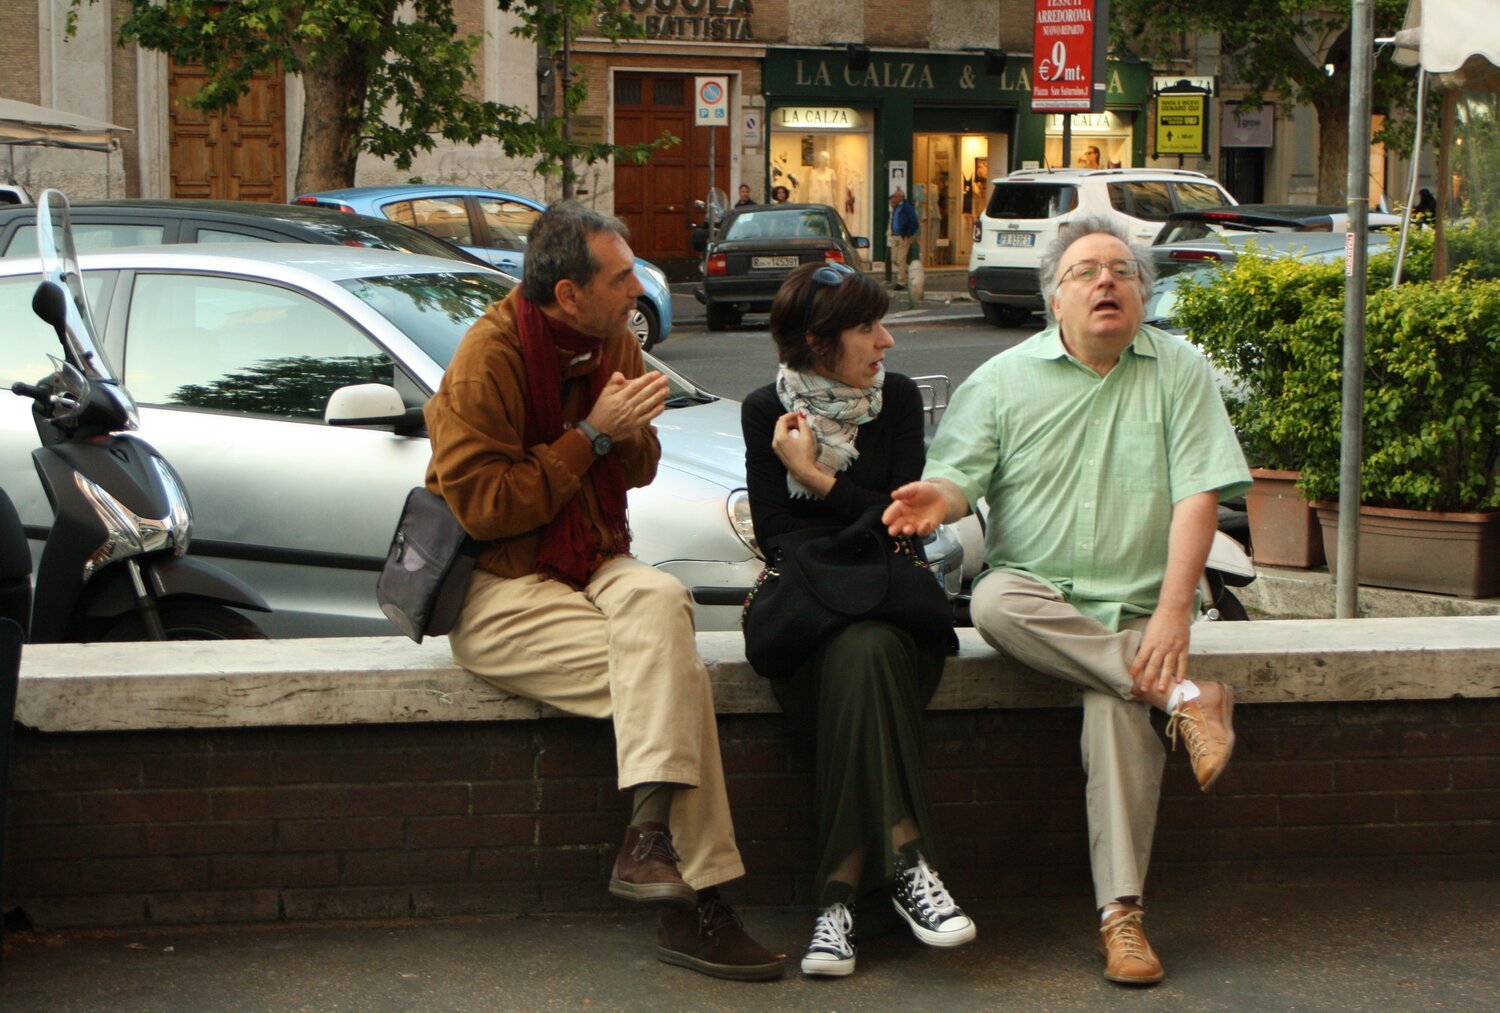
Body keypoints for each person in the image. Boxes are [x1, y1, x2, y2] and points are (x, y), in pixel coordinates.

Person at [883, 215, 1249, 987]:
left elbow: (1199, 494)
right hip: (1038, 599)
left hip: (1137, 612)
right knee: (991, 600)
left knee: (1116, 706)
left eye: (1121, 269)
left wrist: (1176, 612)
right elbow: (960, 478)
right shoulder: (1003, 379)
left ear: (1143, 295)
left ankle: (1123, 920)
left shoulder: (1180, 370)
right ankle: (1186, 695)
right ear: (1055, 298)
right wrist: (937, 500)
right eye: (1085, 272)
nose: (1106, 281)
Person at [423, 200, 784, 982]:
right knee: (676, 679)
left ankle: (649, 842)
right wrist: (589, 435)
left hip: (591, 562)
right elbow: (483, 507)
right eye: (621, 279)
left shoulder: (615, 340)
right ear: (567, 296)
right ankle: (697, 908)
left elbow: (643, 467)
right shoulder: (488, 361)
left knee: (659, 599)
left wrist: (623, 433)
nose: (638, 290)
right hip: (499, 584)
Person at [742, 261, 975, 978]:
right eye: (869, 327)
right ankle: (907, 866)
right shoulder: (765, 411)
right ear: (819, 342)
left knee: (868, 649)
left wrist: (815, 479)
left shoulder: (897, 400)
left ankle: (835, 906)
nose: (888, 341)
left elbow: (901, 523)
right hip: (811, 621)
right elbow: (781, 537)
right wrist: (859, 510)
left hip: (893, 607)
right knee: (857, 652)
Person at [888, 189, 919, 291]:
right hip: (895, 235)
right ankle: (911, 271)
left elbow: (914, 222)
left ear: (901, 197)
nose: (894, 198)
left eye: (896, 197)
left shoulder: (907, 208)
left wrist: (907, 233)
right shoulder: (896, 207)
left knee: (901, 260)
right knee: (894, 259)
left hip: (903, 236)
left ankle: (900, 282)